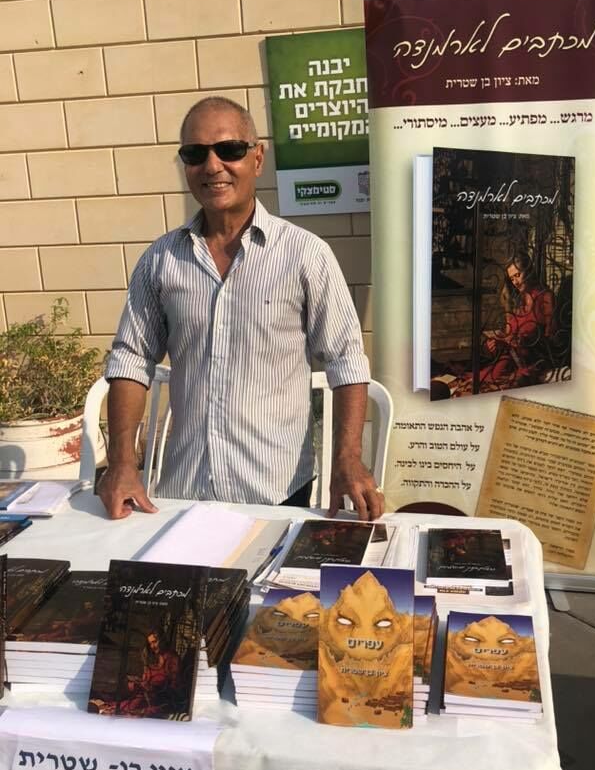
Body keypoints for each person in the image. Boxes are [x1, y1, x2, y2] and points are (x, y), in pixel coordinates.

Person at [99, 97, 383, 521]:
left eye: (229, 149)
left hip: (275, 492)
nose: (212, 166)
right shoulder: (161, 259)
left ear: (257, 157)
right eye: (195, 154)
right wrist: (123, 462)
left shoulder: (304, 255)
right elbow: (131, 359)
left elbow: (346, 360)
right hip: (183, 494)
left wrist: (348, 458)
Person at [476, 253, 555, 391]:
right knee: (476, 382)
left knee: (491, 386)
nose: (515, 282)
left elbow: (552, 338)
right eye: (512, 278)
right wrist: (498, 343)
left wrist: (522, 343)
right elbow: (509, 335)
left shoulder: (545, 297)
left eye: (518, 275)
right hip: (511, 359)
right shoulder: (518, 300)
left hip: (532, 362)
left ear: (528, 271)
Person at [120, 630, 181, 717]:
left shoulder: (172, 658)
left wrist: (153, 687)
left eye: (154, 642)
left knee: (131, 712)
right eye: (150, 644)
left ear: (162, 640)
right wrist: (140, 682)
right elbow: (147, 678)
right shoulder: (154, 658)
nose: (152, 646)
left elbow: (174, 685)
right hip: (147, 696)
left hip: (161, 700)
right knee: (123, 708)